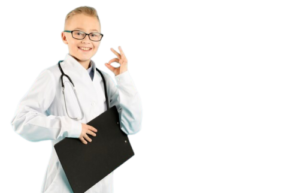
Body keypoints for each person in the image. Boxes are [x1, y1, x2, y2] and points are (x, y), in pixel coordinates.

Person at [9, 5, 143, 193]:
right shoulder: (52, 75)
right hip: (63, 185)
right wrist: (71, 127)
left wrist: (124, 77)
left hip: (102, 183)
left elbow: (133, 127)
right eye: (79, 33)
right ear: (64, 37)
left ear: (100, 39)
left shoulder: (106, 80)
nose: (86, 40)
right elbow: (20, 122)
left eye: (93, 34)